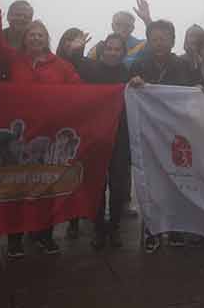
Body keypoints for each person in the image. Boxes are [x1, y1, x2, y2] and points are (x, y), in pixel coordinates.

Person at [0, 0, 81, 258]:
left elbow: (79, 93)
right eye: (31, 35)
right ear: (24, 40)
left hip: (48, 138)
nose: (36, 38)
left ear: (47, 39)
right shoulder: (15, 60)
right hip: (18, 139)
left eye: (41, 35)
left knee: (45, 187)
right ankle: (14, 238)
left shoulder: (61, 65)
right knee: (16, 188)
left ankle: (44, 235)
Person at [129, 19, 198, 252]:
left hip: (176, 133)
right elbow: (127, 93)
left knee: (176, 180)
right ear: (148, 41)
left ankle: (177, 228)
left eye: (164, 38)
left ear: (173, 41)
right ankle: (151, 229)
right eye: (154, 39)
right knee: (150, 182)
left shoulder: (183, 66)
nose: (159, 43)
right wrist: (134, 84)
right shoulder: (138, 64)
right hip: (148, 132)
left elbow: (194, 94)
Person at [68, 34, 131, 249]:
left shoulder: (128, 72)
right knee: (96, 182)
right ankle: (98, 229)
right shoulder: (90, 68)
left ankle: (114, 228)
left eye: (118, 49)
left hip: (120, 136)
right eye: (109, 48)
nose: (113, 52)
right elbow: (72, 63)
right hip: (94, 134)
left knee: (118, 185)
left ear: (123, 53)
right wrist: (75, 50)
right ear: (102, 50)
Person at [88, 0, 152, 68]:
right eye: (118, 24)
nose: (122, 28)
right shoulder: (99, 48)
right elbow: (86, 67)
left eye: (127, 25)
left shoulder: (141, 46)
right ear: (112, 26)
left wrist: (147, 20)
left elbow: (155, 40)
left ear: (132, 28)